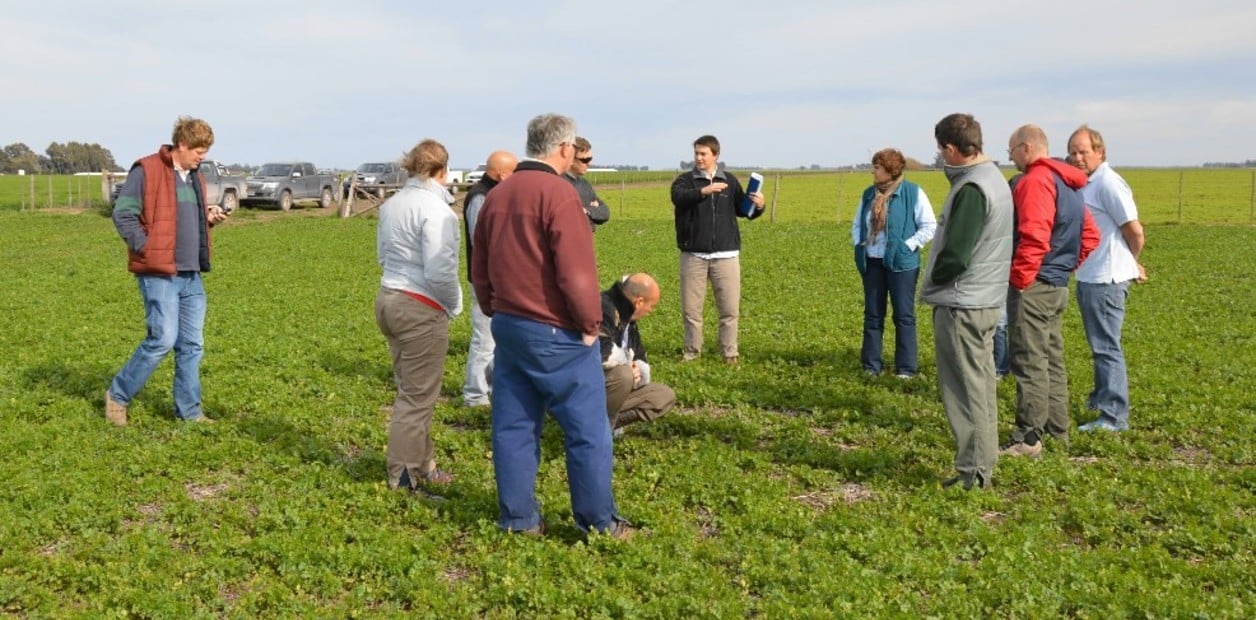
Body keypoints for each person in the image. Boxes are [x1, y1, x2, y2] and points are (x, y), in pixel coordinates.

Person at [471, 113, 632, 539]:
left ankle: (519, 520)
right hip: (555, 332)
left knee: (514, 426)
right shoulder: (559, 196)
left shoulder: (498, 196)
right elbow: (576, 273)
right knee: (587, 431)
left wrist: (493, 308)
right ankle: (599, 522)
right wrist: (589, 324)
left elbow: (479, 264)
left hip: (508, 325)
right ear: (564, 148)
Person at [104, 116, 229, 426]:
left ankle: (189, 411)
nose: (203, 156)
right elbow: (124, 214)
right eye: (199, 150)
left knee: (192, 344)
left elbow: (184, 218)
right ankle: (118, 395)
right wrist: (147, 248)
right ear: (182, 145)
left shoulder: (195, 177)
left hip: (190, 273)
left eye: (206, 150)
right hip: (159, 274)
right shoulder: (146, 170)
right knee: (162, 339)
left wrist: (208, 219)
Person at [919, 113, 1014, 490]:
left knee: (965, 388)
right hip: (986, 298)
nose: (941, 157)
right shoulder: (994, 179)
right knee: (982, 383)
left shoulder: (973, 188)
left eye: (942, 150)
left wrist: (938, 277)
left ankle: (973, 472)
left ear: (952, 149)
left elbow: (957, 253)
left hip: (964, 303)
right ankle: (982, 464)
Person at [999, 125, 1099, 459]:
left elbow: (1034, 237)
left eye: (1011, 149)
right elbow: (1090, 236)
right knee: (1052, 361)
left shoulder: (1034, 182)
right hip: (1056, 285)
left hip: (1035, 285)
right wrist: (1064, 268)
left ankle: (1028, 438)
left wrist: (1021, 280)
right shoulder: (1069, 183)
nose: (1009, 156)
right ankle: (1059, 432)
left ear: (1027, 148)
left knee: (1029, 361)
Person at [375, 139, 463, 498]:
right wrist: (453, 304)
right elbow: (441, 271)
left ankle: (425, 465)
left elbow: (383, 254)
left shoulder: (392, 204)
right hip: (419, 304)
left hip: (388, 298)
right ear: (443, 171)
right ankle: (404, 477)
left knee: (412, 389)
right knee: (417, 397)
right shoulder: (437, 210)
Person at [1067, 124, 1147, 432]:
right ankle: (1101, 398)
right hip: (1091, 275)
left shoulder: (1108, 184)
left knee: (1106, 347)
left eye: (1083, 151)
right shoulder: (1087, 183)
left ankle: (1114, 416)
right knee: (1099, 344)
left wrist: (1130, 262)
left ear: (1100, 152)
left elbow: (1135, 231)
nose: (1077, 157)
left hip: (1106, 279)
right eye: (1072, 151)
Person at [670, 135, 765, 364]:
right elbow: (678, 198)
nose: (699, 158)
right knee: (691, 311)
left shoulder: (730, 181)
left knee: (730, 310)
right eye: (697, 153)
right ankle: (692, 352)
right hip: (694, 255)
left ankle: (729, 353)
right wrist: (704, 191)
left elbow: (744, 211)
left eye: (704, 154)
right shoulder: (685, 181)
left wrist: (759, 205)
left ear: (716, 155)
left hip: (726, 255)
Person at [851, 148, 937, 378]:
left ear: (890, 170)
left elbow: (929, 225)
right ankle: (871, 366)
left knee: (903, 315)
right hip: (872, 262)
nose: (873, 171)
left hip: (902, 264)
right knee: (873, 314)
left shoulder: (912, 193)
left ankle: (906, 368)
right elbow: (858, 224)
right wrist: (859, 243)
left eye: (877, 167)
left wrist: (906, 246)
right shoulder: (869, 194)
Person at [460, 150, 518, 408]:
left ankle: (492, 387)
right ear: (502, 173)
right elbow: (481, 242)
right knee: (484, 339)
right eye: (514, 172)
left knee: (500, 339)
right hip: (486, 281)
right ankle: (475, 395)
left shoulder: (496, 195)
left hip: (501, 280)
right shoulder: (480, 197)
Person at [599, 273, 677, 433]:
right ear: (640, 302)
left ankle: (606, 426)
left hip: (611, 389)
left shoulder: (630, 319)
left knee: (662, 396)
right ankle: (592, 431)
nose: (651, 311)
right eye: (652, 306)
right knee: (624, 375)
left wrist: (639, 371)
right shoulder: (603, 308)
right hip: (587, 388)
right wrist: (629, 366)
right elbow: (602, 353)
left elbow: (640, 356)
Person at [564, 136, 611, 231]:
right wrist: (593, 211)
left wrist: (587, 211)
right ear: (571, 159)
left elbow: (605, 212)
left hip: (587, 241)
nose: (589, 163)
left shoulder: (585, 184)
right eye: (585, 160)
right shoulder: (559, 184)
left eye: (590, 159)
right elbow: (569, 219)